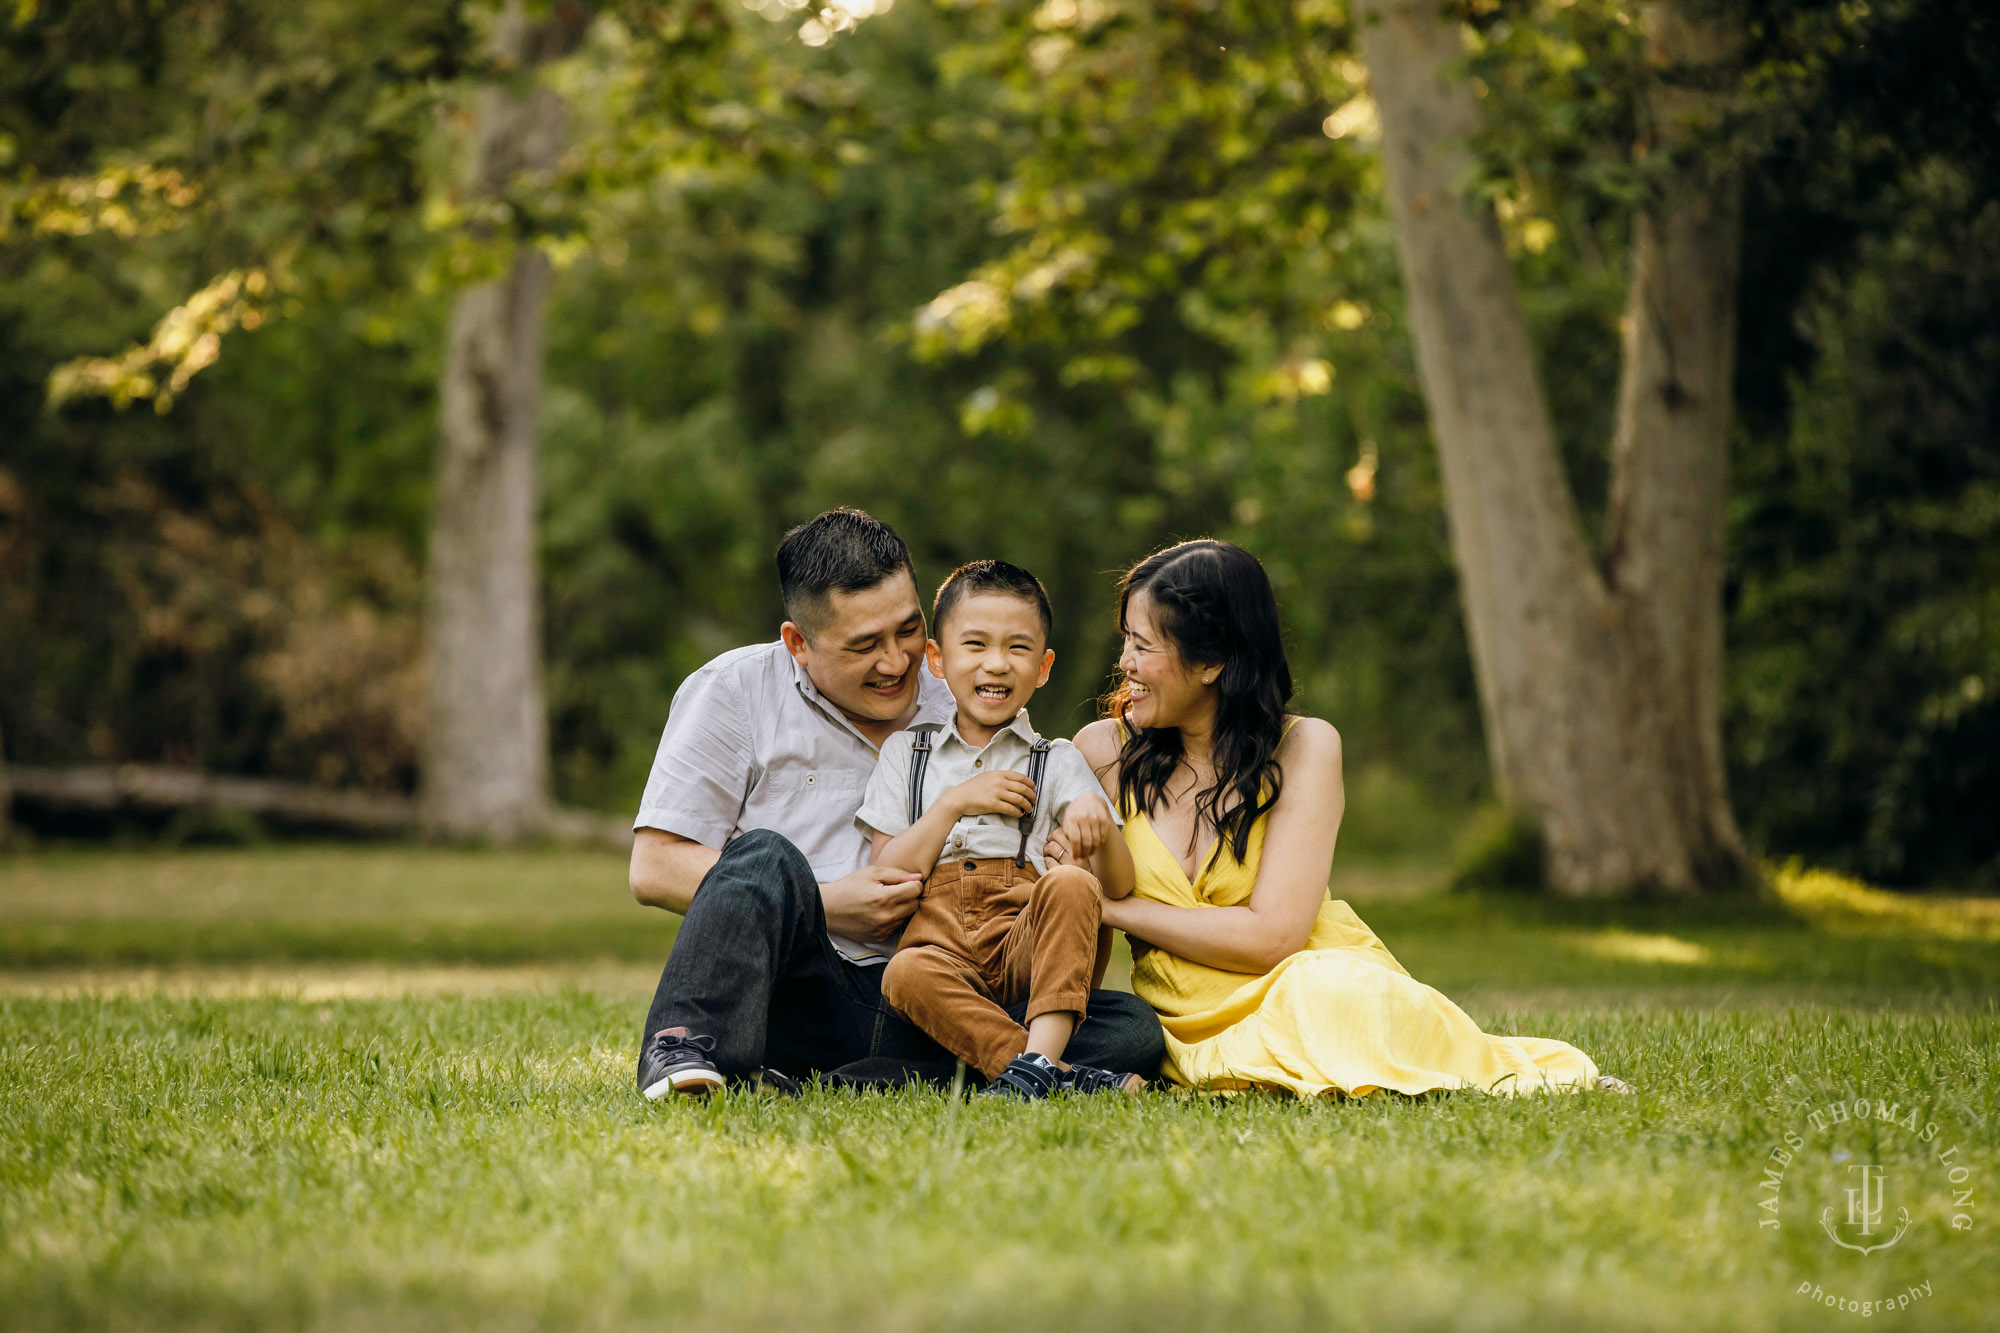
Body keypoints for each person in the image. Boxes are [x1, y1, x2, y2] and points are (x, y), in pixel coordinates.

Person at [629, 508, 1165, 1099]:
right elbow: (655, 867)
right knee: (763, 856)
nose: (896, 663)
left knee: (1132, 1030)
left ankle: (869, 1081)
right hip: (816, 987)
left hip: (964, 989)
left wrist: (1062, 861)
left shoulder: (964, 687)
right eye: (864, 645)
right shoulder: (734, 691)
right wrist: (826, 903)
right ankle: (682, 1048)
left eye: (907, 631)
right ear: (798, 643)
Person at [1064, 539, 1626, 1098]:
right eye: (1125, 642)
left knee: (1325, 990)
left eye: (1141, 645)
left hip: (1302, 981)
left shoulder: (1305, 746)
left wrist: (1117, 907)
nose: (1123, 664)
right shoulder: (1102, 752)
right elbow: (1075, 915)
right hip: (1179, 1017)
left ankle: (1489, 1069)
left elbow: (1274, 938)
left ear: (1212, 661)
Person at [858, 560, 1143, 1099]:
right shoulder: (908, 754)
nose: (996, 664)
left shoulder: (1055, 760)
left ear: (1043, 666)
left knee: (1075, 884)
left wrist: (1099, 830)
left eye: (1017, 648)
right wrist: (952, 805)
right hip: (941, 953)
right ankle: (1046, 1070)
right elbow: (887, 872)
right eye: (975, 645)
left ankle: (1030, 1064)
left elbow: (1120, 886)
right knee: (903, 973)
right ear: (938, 660)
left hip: (1026, 949)